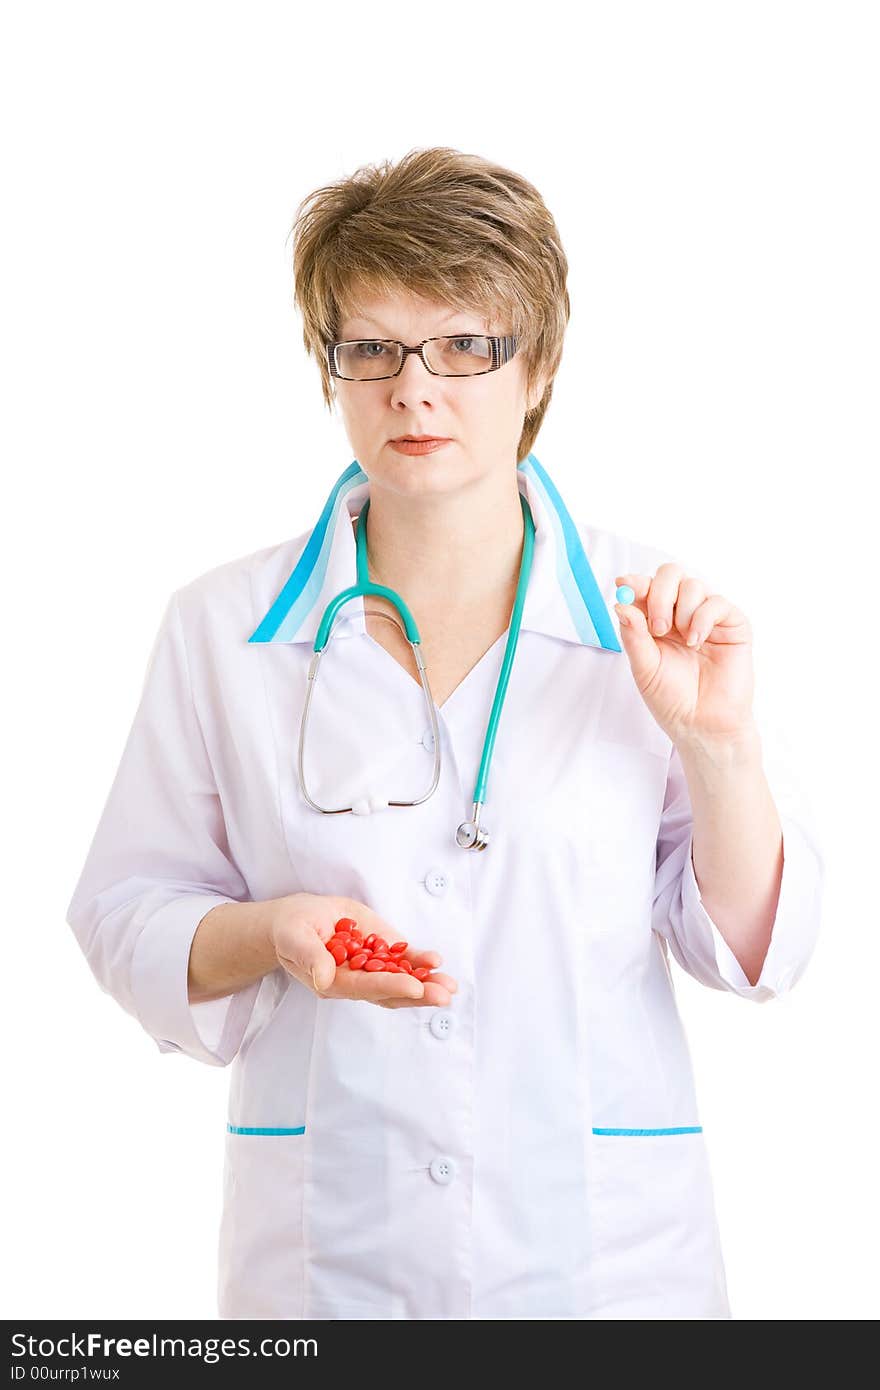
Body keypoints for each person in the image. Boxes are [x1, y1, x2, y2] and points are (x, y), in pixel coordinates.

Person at [65, 146, 824, 1320]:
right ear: (330, 369)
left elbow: (747, 950)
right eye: (371, 349)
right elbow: (124, 910)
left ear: (540, 365)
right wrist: (271, 931)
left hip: (608, 1265)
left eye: (466, 345)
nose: (413, 390)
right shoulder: (224, 629)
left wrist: (717, 745)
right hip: (330, 1261)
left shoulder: (650, 619)